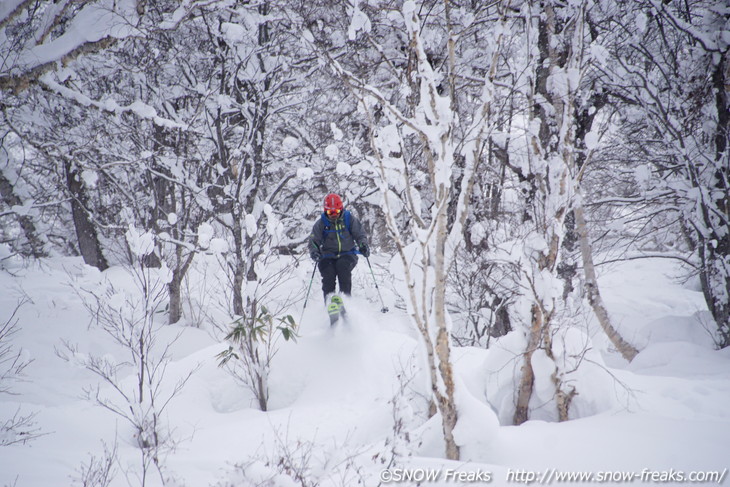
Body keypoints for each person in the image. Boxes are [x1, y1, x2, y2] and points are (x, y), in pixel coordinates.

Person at [308, 193, 370, 301]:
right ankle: (330, 302)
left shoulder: (349, 219)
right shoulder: (321, 223)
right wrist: (314, 251)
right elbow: (313, 241)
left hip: (347, 254)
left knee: (343, 268)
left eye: (336, 211)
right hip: (327, 255)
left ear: (341, 209)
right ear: (325, 211)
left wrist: (363, 245)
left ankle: (346, 300)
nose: (333, 214)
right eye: (329, 212)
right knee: (328, 274)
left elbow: (360, 234)